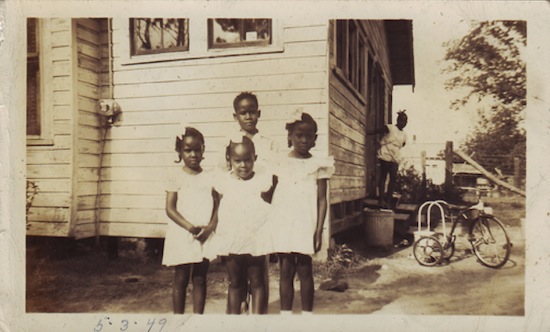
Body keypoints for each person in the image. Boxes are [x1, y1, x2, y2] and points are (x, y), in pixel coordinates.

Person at [269, 109, 334, 314]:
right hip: (284, 224)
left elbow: (322, 199)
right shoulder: (279, 162)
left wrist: (318, 231)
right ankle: (286, 318)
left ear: (315, 139)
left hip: (307, 223)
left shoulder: (319, 164)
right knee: (286, 270)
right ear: (290, 136)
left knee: (305, 270)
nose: (303, 140)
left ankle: (307, 318)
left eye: (308, 136)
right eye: (299, 135)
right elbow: (271, 196)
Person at [223, 91, 278, 313]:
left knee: (258, 268)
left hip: (260, 207)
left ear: (259, 113)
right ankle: (235, 312)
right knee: (236, 275)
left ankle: (258, 317)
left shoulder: (268, 143)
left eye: (252, 112)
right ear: (235, 116)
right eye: (243, 113)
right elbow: (225, 174)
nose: (248, 117)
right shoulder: (230, 142)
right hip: (237, 207)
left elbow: (275, 176)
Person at [207, 136, 273, 314]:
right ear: (229, 160)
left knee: (257, 281)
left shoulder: (261, 180)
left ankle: (258, 324)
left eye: (248, 160)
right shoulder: (223, 181)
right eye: (237, 161)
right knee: (235, 282)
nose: (243, 165)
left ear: (255, 159)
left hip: (255, 239)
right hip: (232, 239)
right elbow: (218, 207)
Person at [163, 127, 218, 314]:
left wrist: (210, 228)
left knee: (201, 278)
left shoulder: (210, 176)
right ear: (180, 151)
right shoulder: (175, 175)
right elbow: (170, 209)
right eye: (188, 150)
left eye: (197, 149)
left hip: (204, 234)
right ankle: (178, 320)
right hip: (182, 233)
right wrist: (190, 228)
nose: (193, 154)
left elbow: (218, 205)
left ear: (203, 150)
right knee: (181, 277)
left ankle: (198, 321)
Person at [368, 110, 408, 209]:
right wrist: (369, 133)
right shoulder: (390, 128)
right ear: (398, 120)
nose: (404, 123)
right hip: (386, 152)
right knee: (383, 176)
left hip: (395, 156)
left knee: (393, 178)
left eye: (406, 121)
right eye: (402, 121)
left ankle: (388, 200)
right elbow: (378, 130)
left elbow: (402, 144)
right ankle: (381, 200)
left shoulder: (404, 135)